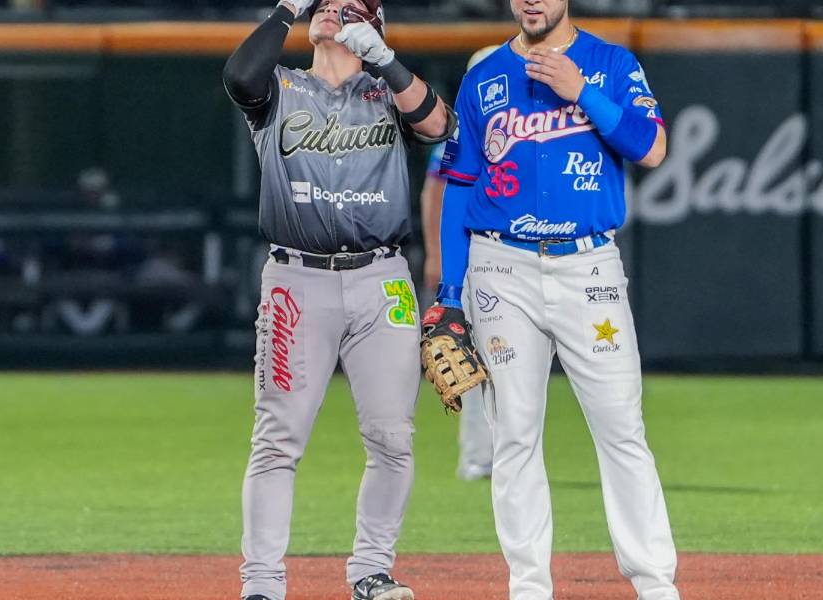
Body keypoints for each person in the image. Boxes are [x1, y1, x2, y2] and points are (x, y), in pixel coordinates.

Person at [430, 0, 679, 598]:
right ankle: (529, 586)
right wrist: (449, 294)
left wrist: (583, 92)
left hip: (588, 265)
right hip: (501, 267)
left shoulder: (610, 63)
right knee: (514, 434)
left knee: (621, 427)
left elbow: (652, 148)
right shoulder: (485, 77)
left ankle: (654, 584)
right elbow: (459, 186)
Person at [221, 0, 454, 598]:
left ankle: (371, 571)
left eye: (349, 6)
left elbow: (439, 125)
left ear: (374, 27)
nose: (330, 10)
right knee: (277, 440)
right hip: (297, 281)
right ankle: (262, 584)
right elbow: (239, 76)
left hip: (383, 279)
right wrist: (285, 10)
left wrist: (388, 62)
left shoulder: (387, 92)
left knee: (393, 438)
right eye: (322, 4)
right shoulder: (280, 87)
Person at [417, 45, 499, 482]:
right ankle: (477, 455)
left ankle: (507, 452)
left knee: (506, 359)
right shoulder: (461, 128)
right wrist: (437, 254)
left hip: (507, 254)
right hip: (468, 255)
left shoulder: (525, 122)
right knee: (468, 358)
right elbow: (435, 191)